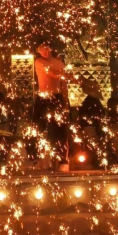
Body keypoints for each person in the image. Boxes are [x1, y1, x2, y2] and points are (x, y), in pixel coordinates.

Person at [33, 42, 70, 171]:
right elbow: (51, 73)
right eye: (40, 49)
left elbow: (63, 85)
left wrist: (65, 102)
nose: (43, 51)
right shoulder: (39, 62)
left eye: (45, 48)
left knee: (60, 129)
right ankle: (40, 158)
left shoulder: (59, 64)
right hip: (43, 97)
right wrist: (66, 75)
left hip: (56, 97)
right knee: (38, 127)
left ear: (50, 48)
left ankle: (63, 160)